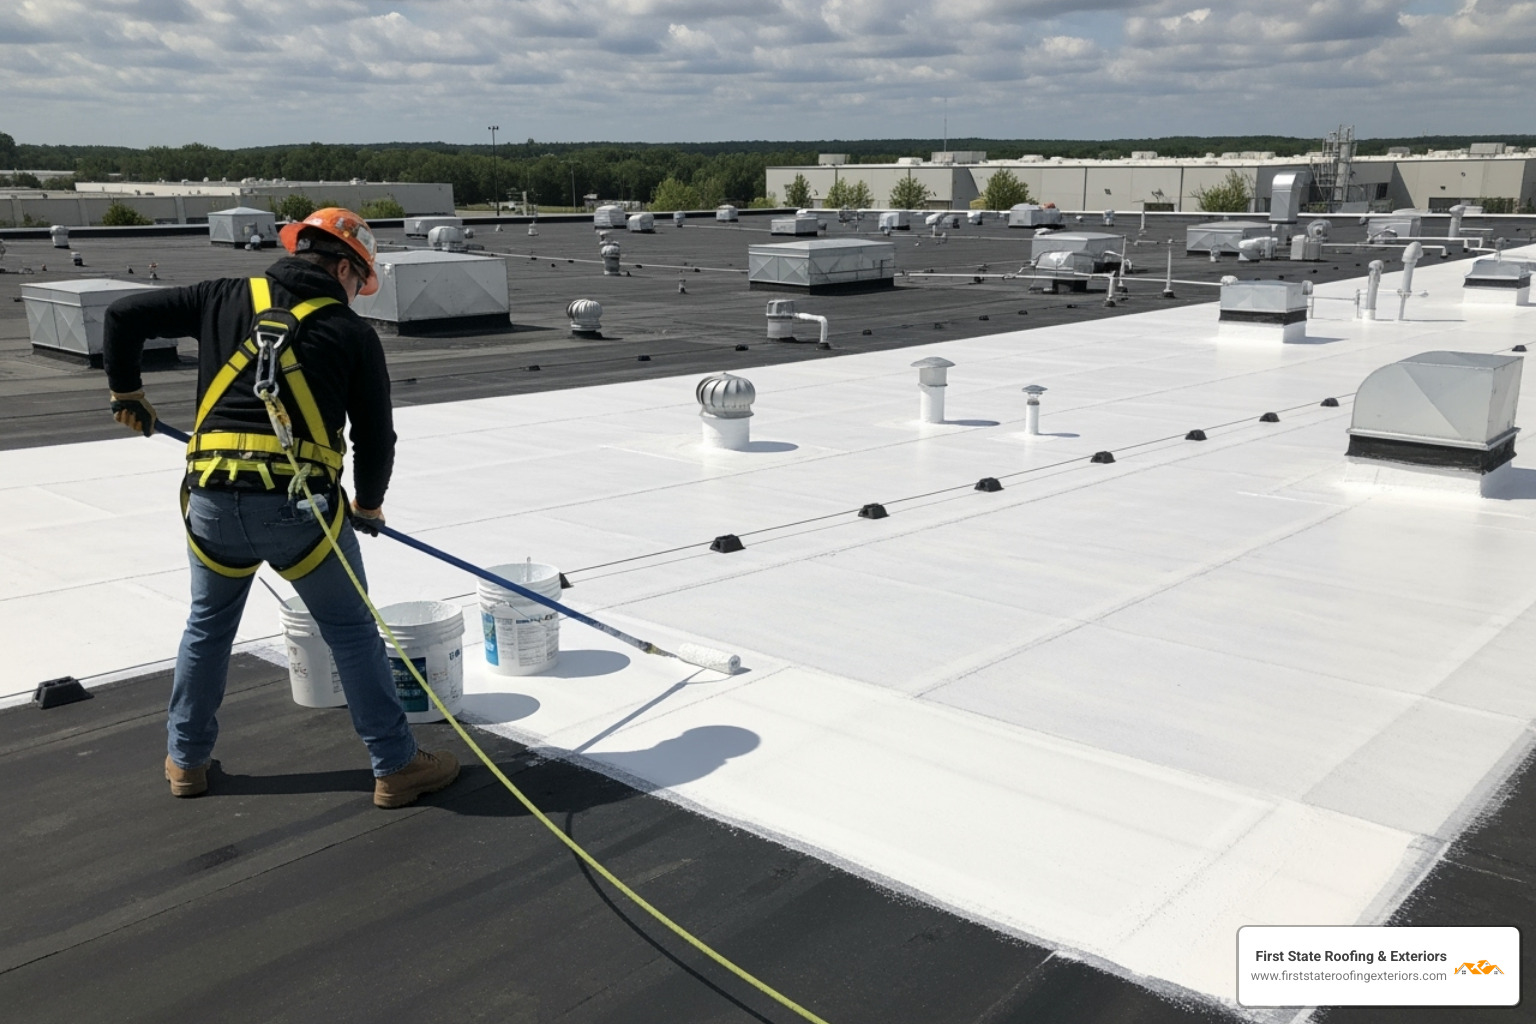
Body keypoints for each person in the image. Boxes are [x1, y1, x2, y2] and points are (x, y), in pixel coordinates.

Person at [102, 207, 459, 809]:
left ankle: (185, 761)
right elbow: (377, 438)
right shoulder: (350, 333)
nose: (357, 295)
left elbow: (122, 315)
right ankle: (395, 765)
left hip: (211, 503)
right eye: (358, 281)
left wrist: (126, 390)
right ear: (344, 266)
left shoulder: (221, 295)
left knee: (208, 628)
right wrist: (368, 507)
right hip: (300, 514)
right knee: (349, 634)